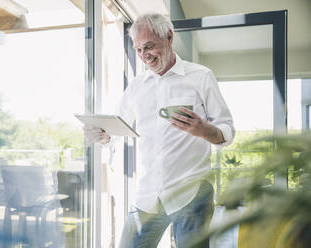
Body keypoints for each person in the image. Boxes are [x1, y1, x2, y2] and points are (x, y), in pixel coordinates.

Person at [84, 13, 235, 248]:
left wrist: (204, 130)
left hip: (191, 192)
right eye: (139, 50)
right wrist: (103, 135)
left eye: (150, 47)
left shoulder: (201, 77)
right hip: (147, 195)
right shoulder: (136, 87)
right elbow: (117, 129)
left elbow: (228, 129)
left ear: (169, 37)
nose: (145, 56)